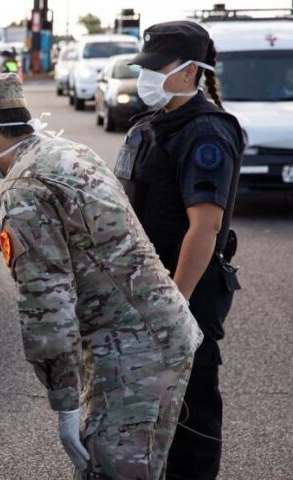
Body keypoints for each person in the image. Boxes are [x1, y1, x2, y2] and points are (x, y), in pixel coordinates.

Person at [0, 73, 203, 479]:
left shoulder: (27, 186)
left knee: (116, 471)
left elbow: (48, 308)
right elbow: (7, 227)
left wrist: (65, 405)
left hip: (135, 351)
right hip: (150, 334)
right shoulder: (59, 154)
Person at [116, 21, 244, 480]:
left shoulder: (205, 132)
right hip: (148, 292)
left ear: (190, 71)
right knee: (148, 412)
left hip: (182, 295)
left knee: (190, 418)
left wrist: (173, 306)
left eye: (157, 67)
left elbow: (204, 229)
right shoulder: (155, 124)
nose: (145, 76)